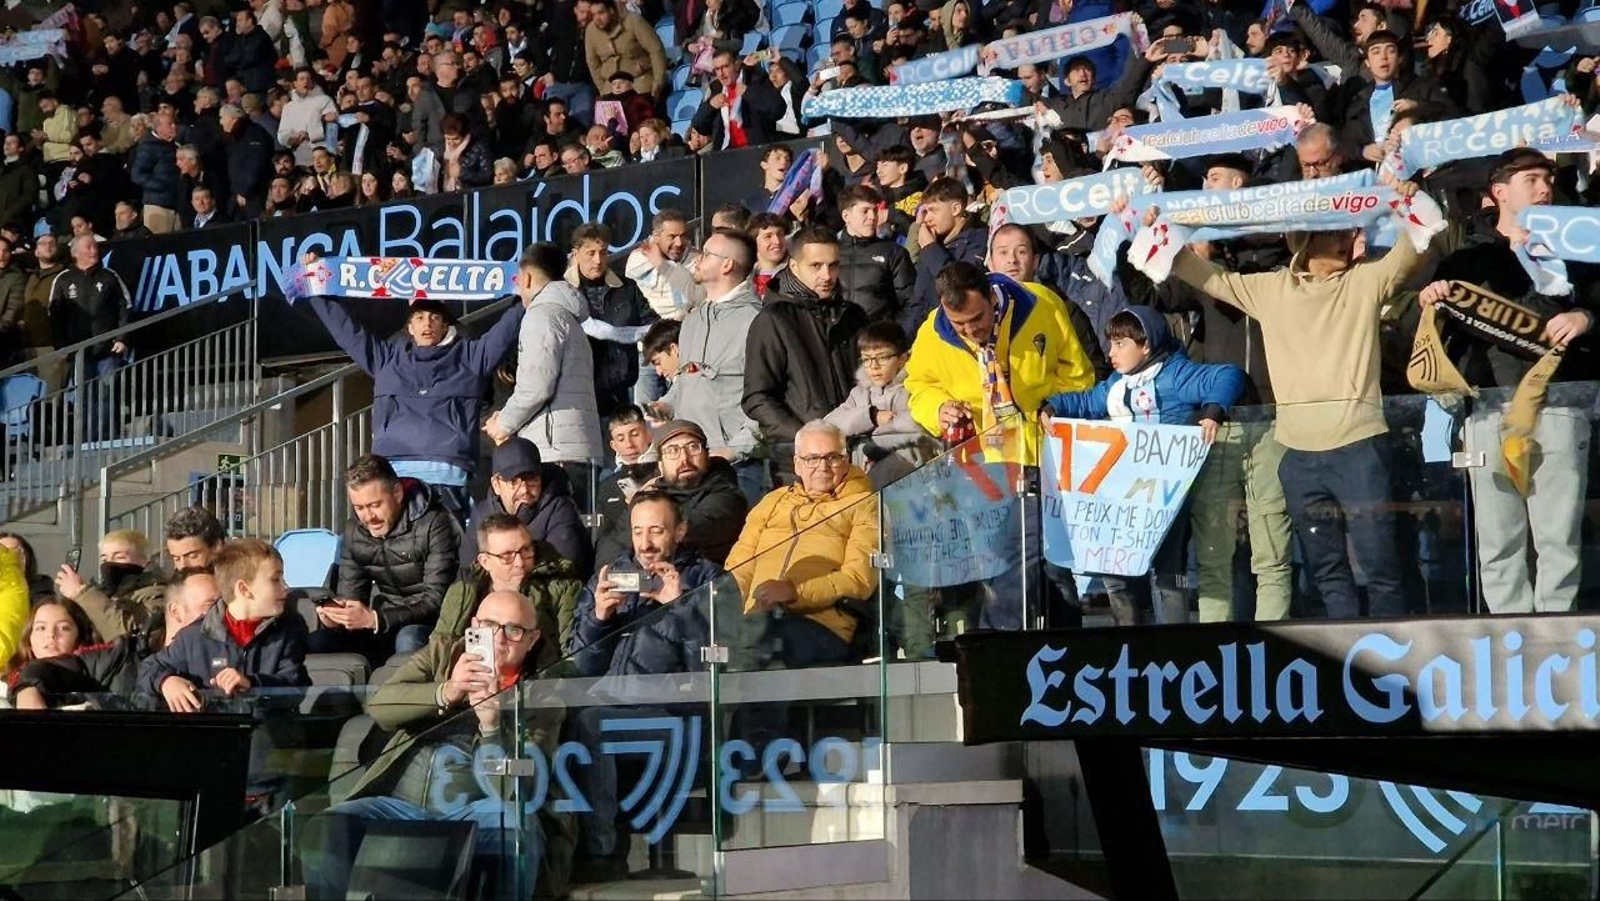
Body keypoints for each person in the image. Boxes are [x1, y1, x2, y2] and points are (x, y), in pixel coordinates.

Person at [1153, 187, 1437, 620]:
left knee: (1382, 568)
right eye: (1338, 232)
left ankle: (1390, 665)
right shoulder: (1272, 289)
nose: (1351, 237)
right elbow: (1204, 275)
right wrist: (1153, 225)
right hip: (1298, 454)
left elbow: (1415, 245)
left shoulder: (1365, 280)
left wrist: (1407, 199)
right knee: (1327, 572)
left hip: (1361, 449)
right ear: (1305, 240)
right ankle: (1347, 662)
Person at [1420, 148, 1600, 614]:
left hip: (1560, 404)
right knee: (1498, 542)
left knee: (1557, 538)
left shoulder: (1579, 244)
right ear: (1499, 192)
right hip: (1488, 409)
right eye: (1532, 180)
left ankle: (1555, 640)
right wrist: (1432, 298)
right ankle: (1508, 639)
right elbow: (1419, 333)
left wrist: (1586, 315)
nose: (1544, 188)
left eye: (1548, 180)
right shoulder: (1468, 256)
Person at [304, 590, 568, 900]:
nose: (498, 639)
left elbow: (519, 790)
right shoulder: (442, 653)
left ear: (532, 639)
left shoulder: (543, 697)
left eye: (513, 631)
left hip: (477, 806)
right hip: (400, 801)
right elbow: (380, 705)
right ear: (473, 625)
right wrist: (446, 692)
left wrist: (492, 726)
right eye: (488, 626)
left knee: (513, 825)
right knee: (328, 825)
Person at [1042, 307, 1246, 626]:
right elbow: (1086, 402)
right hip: (1124, 498)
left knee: (1167, 577)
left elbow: (1228, 375)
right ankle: (1130, 644)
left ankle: (1170, 650)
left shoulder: (1175, 375)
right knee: (1117, 575)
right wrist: (1053, 406)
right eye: (1110, 344)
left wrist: (1213, 410)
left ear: (1146, 345)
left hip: (1165, 497)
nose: (1111, 353)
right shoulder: (1115, 385)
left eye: (1120, 344)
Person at [567, 491, 723, 880]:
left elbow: (715, 668)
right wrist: (599, 617)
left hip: (679, 718)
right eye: (638, 531)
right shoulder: (610, 575)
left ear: (681, 530)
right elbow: (577, 667)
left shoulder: (708, 578)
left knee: (591, 722)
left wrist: (680, 606)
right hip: (609, 706)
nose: (647, 543)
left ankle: (601, 854)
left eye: (657, 530)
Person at [305, 256, 526, 516]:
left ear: (445, 324)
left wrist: (525, 287)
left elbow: (506, 331)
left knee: (443, 552)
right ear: (409, 326)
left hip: (448, 476)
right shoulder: (385, 357)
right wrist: (316, 286)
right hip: (392, 475)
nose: (427, 324)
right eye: (419, 317)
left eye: (434, 317)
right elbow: (346, 330)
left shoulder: (472, 356)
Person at [905, 263, 1096, 465]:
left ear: (992, 296)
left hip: (1049, 449)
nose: (970, 330)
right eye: (959, 324)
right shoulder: (932, 334)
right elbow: (918, 387)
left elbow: (1078, 376)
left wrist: (1057, 407)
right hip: (981, 464)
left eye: (977, 318)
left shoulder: (1042, 305)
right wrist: (938, 408)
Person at [726, 420, 878, 668]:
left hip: (823, 624)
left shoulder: (865, 504)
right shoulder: (772, 501)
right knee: (692, 638)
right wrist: (728, 606)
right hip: (756, 620)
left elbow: (858, 580)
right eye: (812, 459)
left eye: (832, 457)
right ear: (796, 463)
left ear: (846, 459)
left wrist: (794, 592)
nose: (823, 467)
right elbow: (739, 565)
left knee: (764, 653)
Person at [743, 227, 869, 477]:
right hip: (800, 463)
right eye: (816, 266)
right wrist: (805, 438)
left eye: (833, 265)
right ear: (794, 266)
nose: (826, 275)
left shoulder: (854, 315)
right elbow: (758, 397)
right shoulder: (773, 320)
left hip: (855, 452)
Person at [485, 243, 605, 501]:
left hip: (555, 452)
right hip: (579, 446)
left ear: (526, 277)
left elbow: (536, 387)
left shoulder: (541, 316)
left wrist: (503, 423)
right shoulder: (568, 317)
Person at [655, 228, 765, 502]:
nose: (696, 259)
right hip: (689, 464)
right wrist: (665, 405)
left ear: (727, 264)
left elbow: (768, 396)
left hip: (736, 468)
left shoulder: (757, 322)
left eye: (705, 254)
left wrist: (735, 449)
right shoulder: (692, 320)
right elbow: (686, 379)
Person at [139, 539, 309, 712]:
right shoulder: (195, 636)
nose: (285, 588)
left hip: (269, 732)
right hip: (213, 733)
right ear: (244, 589)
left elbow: (296, 684)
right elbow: (149, 667)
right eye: (275, 580)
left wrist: (252, 684)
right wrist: (166, 682)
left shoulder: (288, 628)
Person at [12, 569, 218, 709]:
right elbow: (45, 669)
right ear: (176, 611)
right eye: (211, 606)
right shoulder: (123, 655)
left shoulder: (230, 656)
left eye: (224, 606)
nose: (222, 615)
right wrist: (27, 692)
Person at [323, 455, 463, 662]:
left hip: (434, 622)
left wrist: (376, 619)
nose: (368, 517)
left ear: (397, 493)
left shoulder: (435, 522)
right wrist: (337, 617)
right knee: (319, 641)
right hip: (382, 620)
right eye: (359, 508)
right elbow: (351, 596)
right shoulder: (355, 530)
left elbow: (436, 600)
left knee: (408, 638)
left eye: (375, 505)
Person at [593, 420, 750, 566]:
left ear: (707, 455)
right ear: (660, 465)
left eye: (693, 447)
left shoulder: (726, 496)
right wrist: (617, 577)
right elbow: (612, 544)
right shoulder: (650, 495)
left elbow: (681, 533)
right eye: (672, 450)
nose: (684, 459)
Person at [437, 514, 585, 650]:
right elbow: (438, 653)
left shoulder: (561, 588)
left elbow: (571, 656)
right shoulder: (463, 593)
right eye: (507, 555)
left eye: (526, 550)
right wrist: (449, 680)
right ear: (485, 561)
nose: (519, 562)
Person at [825, 321, 939, 489]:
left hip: (912, 477)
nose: (874, 366)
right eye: (866, 359)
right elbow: (829, 425)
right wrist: (871, 416)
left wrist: (863, 441)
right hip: (866, 475)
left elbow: (916, 429)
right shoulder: (859, 393)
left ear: (902, 358)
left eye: (883, 358)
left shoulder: (913, 388)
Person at [460, 437, 593, 580]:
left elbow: (561, 570)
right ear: (496, 484)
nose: (524, 489)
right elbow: (467, 571)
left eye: (532, 479)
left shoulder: (560, 509)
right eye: (514, 481)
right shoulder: (482, 513)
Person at [48, 234, 133, 441]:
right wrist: (61, 347)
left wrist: (122, 338)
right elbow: (55, 317)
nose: (94, 250)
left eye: (95, 246)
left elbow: (126, 308)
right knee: (84, 397)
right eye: (89, 247)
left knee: (107, 393)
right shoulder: (63, 279)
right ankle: (86, 440)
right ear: (75, 252)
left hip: (108, 349)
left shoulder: (110, 276)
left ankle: (107, 438)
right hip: (79, 352)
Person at [565, 223, 655, 417]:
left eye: (603, 252)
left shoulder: (627, 287)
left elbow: (652, 324)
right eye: (590, 253)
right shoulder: (561, 291)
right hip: (576, 393)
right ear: (575, 254)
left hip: (620, 391)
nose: (598, 260)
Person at [53, 529, 166, 650]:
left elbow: (127, 631)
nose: (109, 564)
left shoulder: (158, 592)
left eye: (119, 557)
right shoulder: (102, 591)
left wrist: (82, 594)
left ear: (144, 561)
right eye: (104, 559)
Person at [906, 177, 987, 335]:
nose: (927, 218)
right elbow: (919, 301)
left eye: (933, 210)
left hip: (961, 333)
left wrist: (930, 249)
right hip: (929, 335)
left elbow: (960, 287)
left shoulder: (979, 238)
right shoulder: (933, 242)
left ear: (955, 209)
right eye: (926, 211)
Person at [836, 184, 915, 323]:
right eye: (865, 211)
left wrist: (896, 336)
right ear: (846, 216)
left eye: (875, 210)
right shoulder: (830, 252)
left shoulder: (893, 252)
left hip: (880, 340)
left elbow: (911, 302)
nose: (872, 217)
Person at [623, 209, 703, 322]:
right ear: (656, 236)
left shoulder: (697, 259)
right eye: (672, 236)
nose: (679, 243)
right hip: (652, 330)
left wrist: (663, 264)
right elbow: (678, 302)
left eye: (683, 235)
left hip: (689, 327)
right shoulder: (639, 259)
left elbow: (697, 299)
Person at [584, 0, 670, 99]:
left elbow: (656, 50)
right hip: (610, 86)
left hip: (639, 81)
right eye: (593, 15)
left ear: (611, 11)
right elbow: (593, 63)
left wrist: (658, 81)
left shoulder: (633, 21)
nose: (597, 19)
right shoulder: (591, 31)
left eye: (601, 13)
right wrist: (602, 88)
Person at [164, 506, 226, 572]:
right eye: (176, 559)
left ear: (216, 546)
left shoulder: (235, 576)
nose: (182, 566)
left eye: (192, 556)